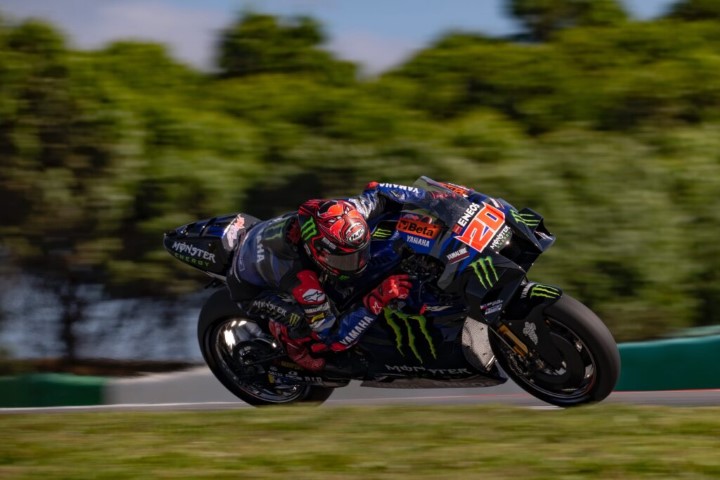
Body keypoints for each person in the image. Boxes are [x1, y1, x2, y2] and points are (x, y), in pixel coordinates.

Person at [226, 181, 444, 371]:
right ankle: (290, 342)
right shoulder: (304, 283)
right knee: (303, 322)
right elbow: (334, 338)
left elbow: (378, 190)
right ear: (318, 252)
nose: (359, 264)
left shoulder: (349, 212)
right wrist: (377, 298)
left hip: (267, 239)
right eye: (345, 260)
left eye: (361, 253)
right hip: (250, 289)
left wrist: (433, 198)